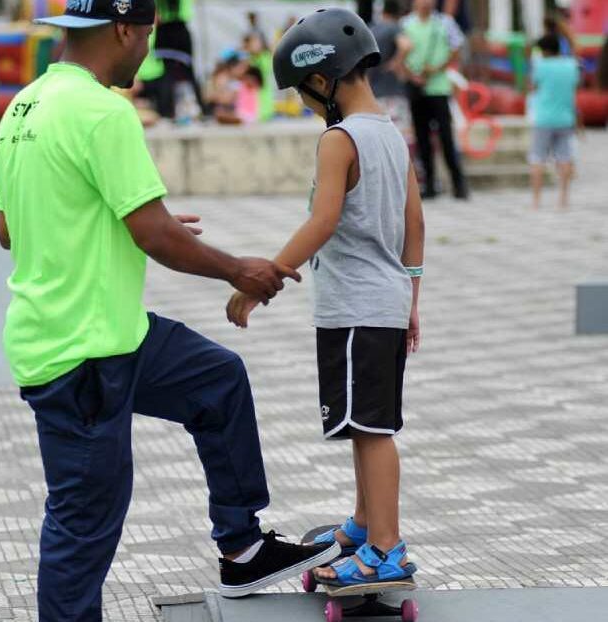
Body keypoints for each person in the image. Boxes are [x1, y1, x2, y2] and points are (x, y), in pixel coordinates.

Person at [0, 1, 341, 619]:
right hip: (83, 355)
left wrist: (115, 216)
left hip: (110, 334)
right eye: (148, 37)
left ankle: (242, 548)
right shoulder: (104, 112)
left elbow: (8, 227)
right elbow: (155, 236)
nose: (147, 54)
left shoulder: (25, 105)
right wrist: (240, 270)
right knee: (84, 523)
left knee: (217, 381)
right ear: (126, 29)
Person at [228, 7, 425, 587]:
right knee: (366, 424)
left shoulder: (338, 140)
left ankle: (387, 547)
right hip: (384, 301)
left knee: (371, 431)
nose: (306, 106)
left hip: (356, 307)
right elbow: (414, 223)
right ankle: (365, 525)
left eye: (303, 94)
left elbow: (323, 219)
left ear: (321, 79)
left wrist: (264, 278)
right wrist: (411, 298)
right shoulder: (390, 133)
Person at [402, 0, 469, 200]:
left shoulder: (444, 23)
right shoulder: (406, 24)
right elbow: (400, 52)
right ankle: (429, 184)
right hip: (416, 88)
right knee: (422, 138)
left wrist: (438, 68)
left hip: (439, 87)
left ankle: (458, 184)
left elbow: (457, 47)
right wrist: (411, 74)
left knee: (446, 137)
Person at [528, 33, 580, 211]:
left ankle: (536, 201)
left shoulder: (540, 66)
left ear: (544, 50)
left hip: (543, 119)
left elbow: (533, 87)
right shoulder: (571, 65)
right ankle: (563, 199)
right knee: (565, 158)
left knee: (537, 159)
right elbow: (574, 88)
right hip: (566, 118)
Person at [154, 0, 206, 117]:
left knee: (167, 74)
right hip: (180, 31)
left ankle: (166, 110)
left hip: (164, 32)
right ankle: (202, 108)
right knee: (189, 73)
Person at [369, 0, 412, 138]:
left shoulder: (371, 29)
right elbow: (406, 45)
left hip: (373, 93)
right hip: (393, 92)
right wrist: (396, 62)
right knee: (399, 137)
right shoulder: (394, 27)